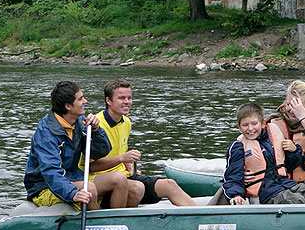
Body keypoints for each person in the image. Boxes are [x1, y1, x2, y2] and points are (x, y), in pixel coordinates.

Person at [88, 79, 196, 207]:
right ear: (108, 101)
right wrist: (122, 158)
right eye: (121, 98)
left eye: (129, 98)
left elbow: (119, 152)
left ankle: (204, 219)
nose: (127, 102)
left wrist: (128, 164)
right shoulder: (96, 125)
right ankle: (122, 222)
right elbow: (91, 167)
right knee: (137, 188)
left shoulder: (126, 122)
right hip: (104, 183)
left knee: (169, 185)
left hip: (125, 176)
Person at [24, 80, 129, 210]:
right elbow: (51, 173)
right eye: (80, 99)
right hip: (44, 187)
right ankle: (95, 227)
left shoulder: (79, 122)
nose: (85, 101)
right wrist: (73, 193)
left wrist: (96, 130)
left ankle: (116, 225)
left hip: (73, 177)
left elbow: (101, 151)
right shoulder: (46, 133)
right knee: (88, 188)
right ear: (68, 106)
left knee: (119, 178)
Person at [223, 102, 305, 204]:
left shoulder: (274, 138)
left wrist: (294, 151)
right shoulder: (238, 147)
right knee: (295, 200)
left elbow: (289, 165)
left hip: (285, 184)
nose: (250, 128)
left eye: (254, 124)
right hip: (265, 192)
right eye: (245, 125)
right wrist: (235, 195)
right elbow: (233, 176)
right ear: (239, 127)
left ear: (263, 123)